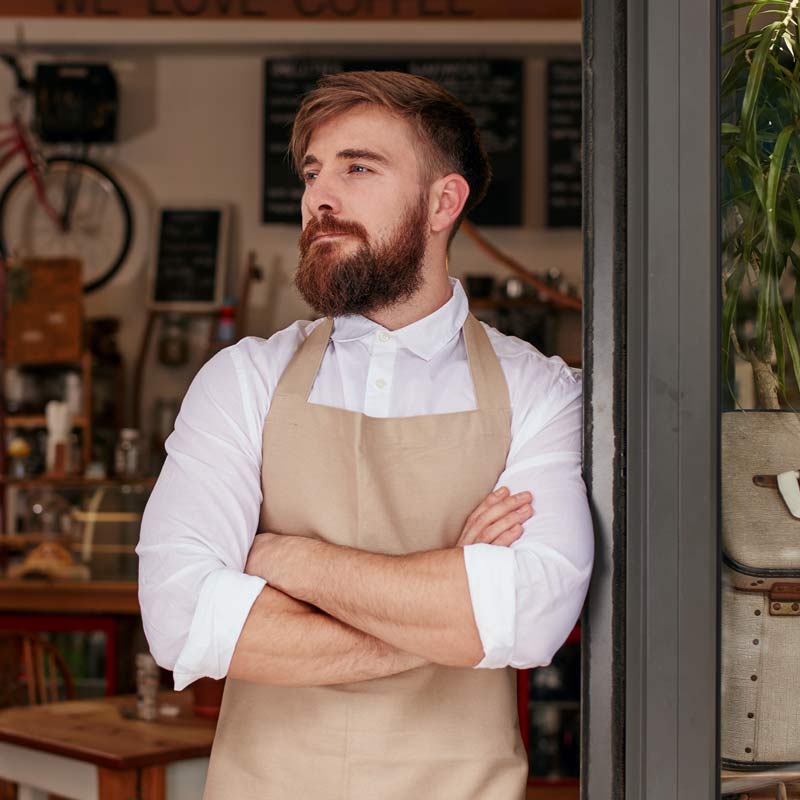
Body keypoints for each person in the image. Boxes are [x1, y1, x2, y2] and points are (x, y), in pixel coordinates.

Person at [137, 69, 594, 799]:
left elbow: (530, 618)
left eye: (358, 168)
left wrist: (287, 559)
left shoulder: (539, 389)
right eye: (315, 171)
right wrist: (448, 605)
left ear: (443, 201)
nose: (320, 195)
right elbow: (182, 620)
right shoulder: (243, 379)